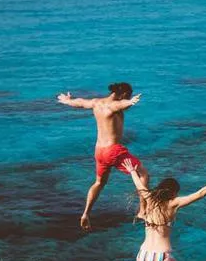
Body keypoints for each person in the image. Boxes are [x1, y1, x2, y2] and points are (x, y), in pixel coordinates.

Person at [57, 82, 149, 230]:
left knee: (99, 183)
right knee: (143, 174)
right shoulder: (113, 105)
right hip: (114, 150)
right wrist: (130, 102)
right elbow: (120, 106)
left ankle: (86, 213)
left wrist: (68, 100)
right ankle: (142, 212)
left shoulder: (96, 103)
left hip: (99, 151)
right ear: (124, 94)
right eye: (128, 96)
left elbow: (80, 103)